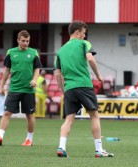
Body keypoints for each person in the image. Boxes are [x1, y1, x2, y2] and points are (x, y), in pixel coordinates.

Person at [54, 20, 113, 158]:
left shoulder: (61, 51)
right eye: (83, 33)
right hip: (84, 85)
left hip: (69, 88)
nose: (84, 36)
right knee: (94, 115)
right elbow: (90, 59)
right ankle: (99, 150)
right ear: (77, 32)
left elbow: (57, 74)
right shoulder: (84, 44)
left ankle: (61, 147)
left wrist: (64, 91)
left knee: (69, 119)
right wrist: (98, 75)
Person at [0, 30, 42, 146]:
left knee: (29, 115)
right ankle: (0, 137)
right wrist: (1, 86)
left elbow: (37, 69)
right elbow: (6, 70)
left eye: (27, 41)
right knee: (7, 113)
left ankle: (29, 140)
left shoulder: (34, 53)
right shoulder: (11, 52)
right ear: (18, 40)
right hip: (14, 88)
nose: (25, 43)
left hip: (28, 90)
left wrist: (34, 79)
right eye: (23, 41)